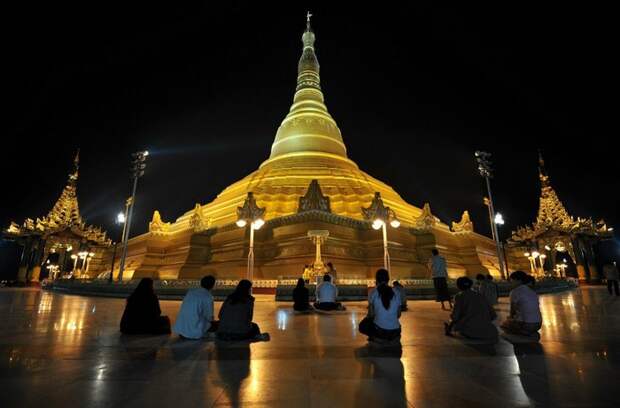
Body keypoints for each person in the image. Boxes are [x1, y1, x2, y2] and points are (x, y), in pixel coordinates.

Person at [445, 277, 498, 342]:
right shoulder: (480, 295)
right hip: (490, 332)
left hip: (471, 332)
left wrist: (449, 328)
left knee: (455, 323)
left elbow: (455, 316)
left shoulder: (460, 296)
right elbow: (493, 315)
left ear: (458, 286)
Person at [359, 269, 401, 343]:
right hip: (395, 332)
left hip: (380, 332)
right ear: (388, 279)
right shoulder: (396, 292)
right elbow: (398, 315)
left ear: (376, 280)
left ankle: (375, 337)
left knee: (362, 325)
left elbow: (371, 315)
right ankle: (391, 339)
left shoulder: (373, 292)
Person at [173, 275, 218, 339]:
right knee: (218, 324)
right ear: (212, 285)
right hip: (195, 332)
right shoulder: (208, 296)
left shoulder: (190, 292)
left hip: (181, 331)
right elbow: (209, 316)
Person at [501, 271, 542, 338]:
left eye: (512, 281)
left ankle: (524, 336)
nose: (510, 283)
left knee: (504, 326)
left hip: (527, 324)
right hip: (538, 323)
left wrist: (510, 319)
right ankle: (529, 333)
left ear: (518, 280)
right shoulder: (531, 291)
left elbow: (512, 311)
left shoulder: (514, 292)